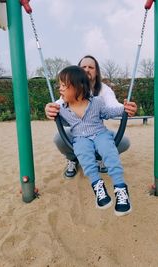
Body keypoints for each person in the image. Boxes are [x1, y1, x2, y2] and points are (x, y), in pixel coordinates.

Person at [51, 65, 132, 216]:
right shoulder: (61, 108)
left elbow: (109, 112)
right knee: (85, 157)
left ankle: (121, 189)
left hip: (100, 134)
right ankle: (98, 187)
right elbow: (54, 116)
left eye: (64, 85)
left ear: (78, 87)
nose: (60, 88)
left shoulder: (96, 102)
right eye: (60, 85)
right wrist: (48, 110)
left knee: (110, 153)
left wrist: (124, 108)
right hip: (80, 138)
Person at [45, 55, 137, 178]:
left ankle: (100, 157)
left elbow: (113, 106)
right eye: (83, 67)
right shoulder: (70, 89)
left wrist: (126, 109)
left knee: (123, 142)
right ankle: (73, 159)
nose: (87, 69)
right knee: (59, 138)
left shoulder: (104, 90)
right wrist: (49, 109)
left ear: (97, 72)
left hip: (97, 131)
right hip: (77, 131)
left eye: (91, 67)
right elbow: (57, 105)